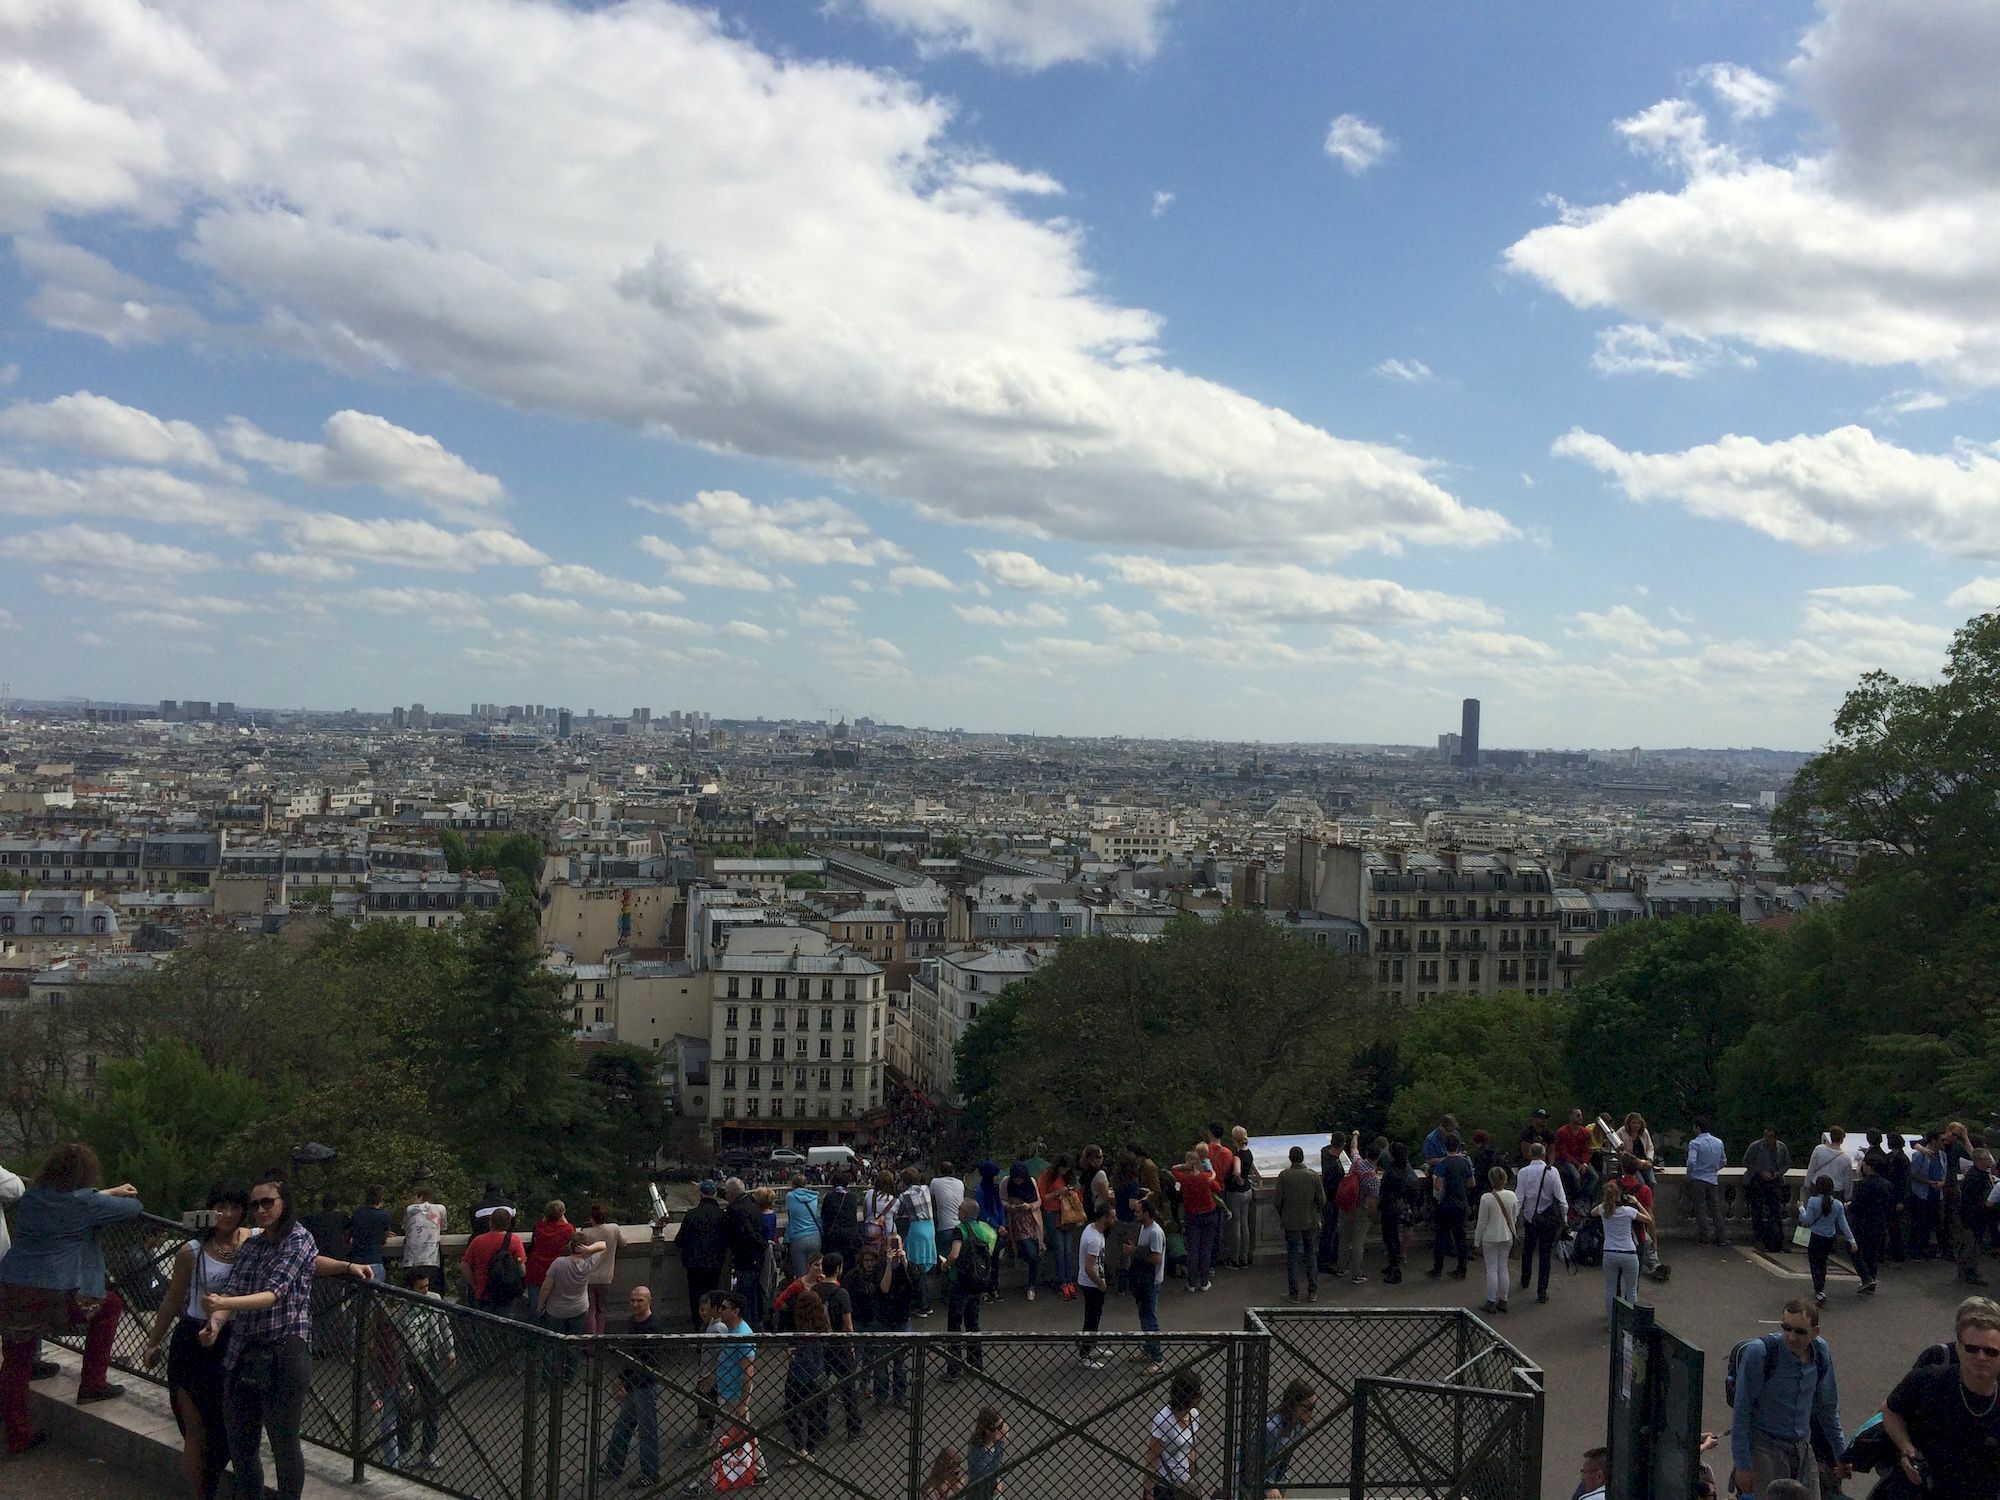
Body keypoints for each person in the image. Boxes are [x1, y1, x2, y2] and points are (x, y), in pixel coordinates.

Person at [202, 1174, 370, 1500]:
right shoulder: (252, 1245)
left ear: (283, 1203)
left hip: (284, 1349)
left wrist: (224, 1304)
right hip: (245, 1349)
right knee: (241, 1441)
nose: (261, 1209)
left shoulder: (298, 1239)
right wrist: (217, 1323)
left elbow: (273, 1293)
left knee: (283, 1440)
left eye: (268, 1202)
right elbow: (236, 1287)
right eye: (256, 1204)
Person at [1, 1143, 143, 1456]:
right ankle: (92, 1384)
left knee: (15, 1362)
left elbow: (66, 1204)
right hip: (57, 1294)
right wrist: (106, 1195)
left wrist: (98, 1195)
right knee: (110, 1306)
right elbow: (135, 1208)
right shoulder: (86, 1204)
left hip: (13, 1288)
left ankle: (17, 1434)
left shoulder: (30, 1198)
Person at [142, 1184, 250, 1500]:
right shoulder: (191, 1251)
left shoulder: (251, 1244)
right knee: (195, 1430)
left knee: (229, 1428)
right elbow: (172, 1298)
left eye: (234, 1207)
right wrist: (153, 1341)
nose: (227, 1215)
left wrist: (347, 1265)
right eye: (220, 1207)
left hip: (234, 1342)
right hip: (192, 1341)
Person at [1880, 1295, 2000, 1500]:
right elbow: (1891, 1411)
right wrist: (1906, 1449)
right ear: (1959, 1348)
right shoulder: (1927, 1380)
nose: (1981, 1357)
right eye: (1972, 1349)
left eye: (1990, 1352)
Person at [1728, 1298, 1844, 1500]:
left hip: (1802, 1447)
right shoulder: (1760, 1353)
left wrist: (1842, 1454)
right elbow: (1742, 1410)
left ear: (1815, 1332)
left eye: (1799, 1331)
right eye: (1786, 1328)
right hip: (1764, 1447)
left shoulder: (1821, 1352)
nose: (1791, 1337)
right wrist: (1743, 1464)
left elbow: (1827, 1408)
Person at [386, 1265, 454, 1475]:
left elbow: (444, 1325)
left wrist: (449, 1350)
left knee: (432, 1405)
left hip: (430, 1357)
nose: (425, 1291)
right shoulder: (400, 1307)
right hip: (408, 1361)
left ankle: (428, 1451)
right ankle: (405, 1449)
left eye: (426, 1287)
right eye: (420, 1288)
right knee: (406, 1407)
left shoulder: (434, 1298)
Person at [849, 1237, 914, 1408]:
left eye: (897, 1243)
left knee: (900, 1364)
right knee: (881, 1364)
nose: (894, 1246)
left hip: (902, 1319)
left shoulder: (909, 1264)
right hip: (883, 1319)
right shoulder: (879, 1267)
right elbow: (884, 1288)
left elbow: (913, 1285)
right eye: (891, 1243)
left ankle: (900, 1397)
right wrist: (889, 1264)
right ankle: (881, 1398)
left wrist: (903, 1261)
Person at [815, 1252, 863, 1442]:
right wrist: (851, 1347)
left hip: (821, 1344)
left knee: (820, 1387)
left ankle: (820, 1425)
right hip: (840, 1345)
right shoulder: (842, 1293)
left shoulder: (815, 1290)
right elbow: (848, 1324)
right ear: (838, 1268)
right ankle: (853, 1427)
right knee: (848, 1388)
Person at [945, 1200, 994, 1379]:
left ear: (964, 1213)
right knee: (973, 1323)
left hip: (960, 1281)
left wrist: (945, 1266)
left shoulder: (960, 1230)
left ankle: (953, 1368)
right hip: (977, 1281)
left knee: (954, 1325)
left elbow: (954, 1254)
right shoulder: (983, 1229)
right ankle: (976, 1364)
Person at [1514, 1143, 1567, 1305]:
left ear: (1530, 1154)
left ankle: (1525, 1279)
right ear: (1544, 1155)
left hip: (1531, 1217)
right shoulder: (1553, 1172)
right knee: (1545, 1255)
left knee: (1528, 1250)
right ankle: (1542, 1290)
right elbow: (1561, 1198)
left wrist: (1514, 1219)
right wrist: (1564, 1219)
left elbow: (1519, 1198)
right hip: (1549, 1218)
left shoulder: (1523, 1172)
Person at [781, 1288, 829, 1462]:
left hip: (798, 1375)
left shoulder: (799, 1327)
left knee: (790, 1410)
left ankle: (800, 1447)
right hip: (817, 1373)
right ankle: (811, 1448)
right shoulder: (821, 1324)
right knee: (814, 1412)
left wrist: (793, 1353)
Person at [1274, 1146, 1325, 1303]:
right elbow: (1322, 1200)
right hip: (1310, 1221)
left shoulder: (1284, 1176)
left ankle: (1294, 1293)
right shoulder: (1313, 1176)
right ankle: (1313, 1290)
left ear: (1290, 1158)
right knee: (1310, 1255)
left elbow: (1277, 1201)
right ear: (1303, 1158)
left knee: (1293, 1257)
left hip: (1291, 1222)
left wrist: (1285, 1214)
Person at [1798, 1175, 1858, 1307]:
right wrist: (1851, 1240)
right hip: (1829, 1237)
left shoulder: (1813, 1201)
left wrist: (1801, 1208)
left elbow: (1807, 1220)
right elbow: (1843, 1224)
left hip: (1816, 1236)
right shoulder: (1837, 1204)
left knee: (1814, 1263)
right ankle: (1821, 1289)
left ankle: (1818, 1289)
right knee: (1823, 1263)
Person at [1251, 1378, 1316, 1498]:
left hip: (1271, 1481)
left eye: (1313, 1407)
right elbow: (1253, 1462)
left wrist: (1281, 1485)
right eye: (1308, 1407)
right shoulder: (1271, 1429)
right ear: (1294, 1405)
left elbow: (1283, 1462)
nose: (1311, 1412)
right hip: (1252, 1482)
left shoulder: (1296, 1426)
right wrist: (1268, 1486)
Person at [1597, 1180, 1650, 1325]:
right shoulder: (1628, 1211)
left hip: (1609, 1252)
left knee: (1610, 1289)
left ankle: (1611, 1321)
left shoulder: (1602, 1209)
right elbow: (1648, 1219)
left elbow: (1592, 1212)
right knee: (1631, 1290)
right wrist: (1637, 1202)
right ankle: (1631, 1322)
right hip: (1628, 1252)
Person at [1144, 1368, 1202, 1500]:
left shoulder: (1193, 1415)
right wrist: (1148, 1493)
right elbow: (1152, 1459)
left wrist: (1193, 1478)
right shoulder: (1163, 1420)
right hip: (1164, 1485)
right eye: (1198, 1393)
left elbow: (1190, 1449)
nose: (1201, 1396)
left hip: (1183, 1483)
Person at [1171, 1148, 1222, 1293]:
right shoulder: (1206, 1177)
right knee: (1206, 1249)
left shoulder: (1184, 1179)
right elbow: (1217, 1188)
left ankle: (1191, 1283)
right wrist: (1213, 1173)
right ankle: (1204, 1282)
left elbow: (1173, 1169)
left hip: (1192, 1216)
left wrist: (1185, 1166)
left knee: (1193, 1250)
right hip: (1209, 1215)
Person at [678, 1181, 728, 1327]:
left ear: (700, 1194)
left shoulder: (691, 1215)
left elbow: (680, 1240)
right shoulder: (722, 1216)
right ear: (715, 1194)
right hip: (715, 1264)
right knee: (714, 1297)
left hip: (695, 1265)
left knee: (696, 1298)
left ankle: (697, 1326)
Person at [461, 1206, 527, 1313]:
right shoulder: (515, 1240)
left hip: (483, 1292)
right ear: (508, 1224)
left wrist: (474, 1284)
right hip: (507, 1293)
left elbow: (464, 1266)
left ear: (490, 1222)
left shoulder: (478, 1241)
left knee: (484, 1325)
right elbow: (522, 1269)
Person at [722, 1179, 768, 1328]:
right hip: (757, 1258)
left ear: (732, 1194)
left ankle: (746, 1330)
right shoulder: (752, 1204)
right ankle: (756, 1326)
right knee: (754, 1296)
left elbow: (742, 1234)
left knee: (743, 1298)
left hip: (745, 1258)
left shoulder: (736, 1210)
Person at [1428, 1134, 1472, 1281]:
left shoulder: (1443, 1163)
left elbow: (1438, 1185)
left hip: (1446, 1202)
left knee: (1441, 1236)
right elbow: (1472, 1183)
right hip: (1461, 1202)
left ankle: (1437, 1269)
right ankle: (1462, 1268)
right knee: (1460, 1236)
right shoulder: (1465, 1162)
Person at [895, 1168, 937, 1316]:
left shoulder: (904, 1196)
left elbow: (898, 1212)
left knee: (914, 1266)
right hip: (930, 1227)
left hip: (917, 1228)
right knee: (924, 1266)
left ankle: (922, 1305)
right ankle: (926, 1302)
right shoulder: (925, 1189)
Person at [1131, 1195, 1166, 1374]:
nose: (1135, 1214)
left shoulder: (1154, 1232)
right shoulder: (1144, 1228)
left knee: (1149, 1318)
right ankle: (1148, 1348)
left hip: (1151, 1280)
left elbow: (1156, 1257)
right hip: (1144, 1278)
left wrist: (1135, 1251)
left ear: (1146, 1213)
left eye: (1138, 1211)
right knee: (1144, 1315)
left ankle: (1158, 1358)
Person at [1745, 1127, 1794, 1253]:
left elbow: (1787, 1163)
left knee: (1776, 1211)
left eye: (1769, 1137)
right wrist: (1760, 1173)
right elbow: (1747, 1162)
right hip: (1758, 1181)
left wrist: (1777, 1174)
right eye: (1765, 1136)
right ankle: (1759, 1239)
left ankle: (1778, 1240)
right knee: (1758, 1210)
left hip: (1775, 1181)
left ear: (1775, 1138)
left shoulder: (1781, 1148)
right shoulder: (1755, 1146)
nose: (1766, 1139)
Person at [524, 1199, 575, 1320]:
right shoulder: (567, 1229)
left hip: (536, 1270)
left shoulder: (539, 1227)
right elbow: (574, 1237)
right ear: (562, 1214)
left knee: (535, 1305)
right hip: (556, 1272)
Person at [1849, 1153, 1893, 1294]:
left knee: (1855, 1250)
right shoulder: (1886, 1185)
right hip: (1879, 1222)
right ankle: (1871, 1279)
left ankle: (1866, 1277)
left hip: (1862, 1222)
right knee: (1872, 1253)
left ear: (1869, 1166)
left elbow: (1856, 1205)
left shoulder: (1862, 1184)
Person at [1038, 1156, 1081, 1297]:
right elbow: (1042, 1196)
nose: (1064, 1171)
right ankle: (1063, 1282)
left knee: (1068, 1250)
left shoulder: (1069, 1177)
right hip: (1053, 1213)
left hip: (1067, 1214)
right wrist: (1058, 1193)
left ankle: (1069, 1281)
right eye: (1063, 1168)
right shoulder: (1047, 1175)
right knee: (1059, 1249)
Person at [1338, 1132, 1377, 1286]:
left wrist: (1355, 1134)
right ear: (1377, 1158)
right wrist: (1373, 1217)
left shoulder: (1357, 1162)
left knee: (1343, 1239)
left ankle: (1341, 1267)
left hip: (1346, 1206)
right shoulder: (1373, 1179)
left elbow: (1354, 1148)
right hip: (1361, 1210)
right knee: (1358, 1243)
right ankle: (1356, 1273)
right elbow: (1373, 1203)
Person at [1476, 1166, 1516, 1315]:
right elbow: (1514, 1216)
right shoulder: (1512, 1195)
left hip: (1490, 1237)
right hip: (1507, 1235)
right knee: (1503, 1267)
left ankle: (1490, 1300)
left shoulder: (1486, 1198)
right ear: (1505, 1179)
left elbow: (1482, 1222)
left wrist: (1477, 1240)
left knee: (1492, 1269)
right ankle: (1503, 1299)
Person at [1003, 1160, 1043, 1301]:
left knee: (1035, 1253)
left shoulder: (1031, 1182)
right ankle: (1030, 1282)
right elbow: (1002, 1200)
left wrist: (1030, 1206)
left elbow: (1038, 1201)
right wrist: (1012, 1207)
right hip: (1016, 1222)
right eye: (1016, 1179)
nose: (1019, 1182)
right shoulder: (1006, 1182)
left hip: (1031, 1220)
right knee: (1030, 1252)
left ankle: (1032, 1285)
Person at [1685, 1118, 1727, 1247]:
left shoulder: (1695, 1143)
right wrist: (1714, 1169)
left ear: (1697, 1128)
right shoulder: (1718, 1142)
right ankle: (1721, 1236)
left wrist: (1690, 1174)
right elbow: (1723, 1161)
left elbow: (1691, 1161)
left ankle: (1705, 1235)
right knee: (1715, 1208)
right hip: (1712, 1178)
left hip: (1698, 1178)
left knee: (1700, 1208)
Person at [400, 1185, 447, 1291]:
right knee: (429, 1292)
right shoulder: (441, 1208)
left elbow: (405, 1227)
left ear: (420, 1197)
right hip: (431, 1258)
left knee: (410, 1291)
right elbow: (443, 1227)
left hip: (411, 1259)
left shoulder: (410, 1208)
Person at [1958, 1150, 1994, 1287]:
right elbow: (1971, 1200)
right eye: (1987, 1159)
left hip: (1978, 1217)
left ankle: (1968, 1270)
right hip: (1973, 1218)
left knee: (1974, 1245)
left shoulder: (1981, 1175)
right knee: (1970, 1246)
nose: (1990, 1161)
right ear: (1979, 1160)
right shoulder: (1975, 1178)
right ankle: (1968, 1273)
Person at [583, 1204, 621, 1334]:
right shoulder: (614, 1229)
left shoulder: (586, 1233)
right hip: (606, 1277)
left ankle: (591, 1341)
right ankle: (601, 1337)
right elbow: (623, 1242)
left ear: (591, 1219)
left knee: (591, 1310)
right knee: (602, 1309)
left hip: (588, 1277)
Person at [1222, 1126, 1255, 1270]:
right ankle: (1244, 1257)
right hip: (1247, 1190)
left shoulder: (1237, 1155)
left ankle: (1234, 1259)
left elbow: (1236, 1170)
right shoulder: (1249, 1153)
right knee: (1244, 1224)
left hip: (1236, 1192)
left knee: (1235, 1225)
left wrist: (1236, 1177)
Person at [1377, 1142, 1411, 1285]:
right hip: (1397, 1205)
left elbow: (1384, 1190)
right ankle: (1393, 1265)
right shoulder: (1402, 1169)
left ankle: (1395, 1269)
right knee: (1394, 1237)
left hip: (1389, 1207)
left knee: (1390, 1238)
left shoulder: (1391, 1172)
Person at [346, 1185, 392, 1286]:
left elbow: (350, 1232)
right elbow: (384, 1238)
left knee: (355, 1297)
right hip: (374, 1260)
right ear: (381, 1199)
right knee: (375, 1297)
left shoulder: (358, 1213)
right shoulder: (384, 1215)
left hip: (356, 1261)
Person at [1554, 1109, 1598, 1206]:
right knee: (1575, 1176)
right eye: (1578, 1115)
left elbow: (1587, 1150)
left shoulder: (1585, 1133)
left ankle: (1583, 1199)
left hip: (1581, 1160)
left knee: (1594, 1176)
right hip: (1566, 1160)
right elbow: (1563, 1152)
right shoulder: (1562, 1132)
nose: (1580, 1118)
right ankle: (1575, 1200)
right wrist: (1578, 1164)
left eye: (1581, 1115)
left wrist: (1584, 1164)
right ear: (1571, 1116)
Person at [784, 1174, 823, 1279]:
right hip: (815, 1236)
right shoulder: (814, 1196)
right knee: (815, 1274)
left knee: (802, 1277)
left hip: (798, 1237)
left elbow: (790, 1217)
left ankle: (803, 1295)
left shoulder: (790, 1196)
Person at [1317, 1131, 1346, 1275]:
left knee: (1327, 1231)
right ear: (1342, 1146)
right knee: (1330, 1231)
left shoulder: (1324, 1153)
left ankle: (1325, 1259)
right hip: (1333, 1200)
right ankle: (1326, 1261)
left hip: (1326, 1199)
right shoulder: (1336, 1167)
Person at [967, 1406, 1007, 1500]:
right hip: (980, 1494)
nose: (1001, 1430)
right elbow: (989, 1473)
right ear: (987, 1430)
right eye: (998, 1427)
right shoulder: (978, 1452)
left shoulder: (993, 1443)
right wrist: (1001, 1442)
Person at [1805, 1129, 1853, 1204]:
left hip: (1817, 1186)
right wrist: (1847, 1196)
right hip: (1836, 1190)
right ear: (1842, 1140)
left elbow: (1811, 1169)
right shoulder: (1846, 1158)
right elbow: (1848, 1180)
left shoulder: (1819, 1149)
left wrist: (1807, 1185)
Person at [1616, 1113, 1657, 1188]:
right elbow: (1620, 1151)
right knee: (1641, 1184)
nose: (1636, 1125)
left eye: (1638, 1123)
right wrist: (1636, 1161)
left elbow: (1650, 1147)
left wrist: (1649, 1159)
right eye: (1633, 1123)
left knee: (1652, 1182)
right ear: (1628, 1123)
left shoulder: (1644, 1132)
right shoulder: (1621, 1132)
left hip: (1645, 1163)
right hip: (1631, 1164)